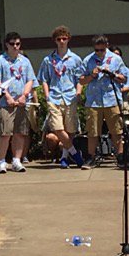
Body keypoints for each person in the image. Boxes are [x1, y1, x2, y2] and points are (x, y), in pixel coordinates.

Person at [37, 25, 85, 168]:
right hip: (54, 97)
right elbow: (44, 79)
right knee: (58, 128)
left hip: (70, 96)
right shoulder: (48, 60)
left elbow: (80, 79)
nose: (62, 41)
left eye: (64, 38)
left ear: (68, 39)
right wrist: (46, 95)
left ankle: (64, 158)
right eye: (59, 39)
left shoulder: (75, 59)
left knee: (70, 129)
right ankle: (75, 154)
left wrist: (78, 92)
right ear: (55, 41)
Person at [0, 31, 36, 173]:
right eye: (12, 44)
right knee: (5, 133)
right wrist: (8, 96)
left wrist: (24, 95)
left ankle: (17, 160)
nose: (15, 47)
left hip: (22, 102)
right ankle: (2, 161)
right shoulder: (0, 61)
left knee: (20, 132)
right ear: (6, 45)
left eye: (18, 44)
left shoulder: (24, 61)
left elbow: (30, 79)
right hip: (6, 103)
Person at [80, 34, 127, 168]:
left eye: (102, 50)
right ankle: (91, 157)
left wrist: (113, 74)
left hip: (111, 99)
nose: (99, 53)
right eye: (97, 50)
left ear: (107, 46)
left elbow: (125, 78)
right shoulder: (88, 60)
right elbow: (81, 80)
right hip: (94, 101)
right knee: (93, 131)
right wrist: (92, 75)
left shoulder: (116, 59)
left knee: (116, 131)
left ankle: (120, 157)